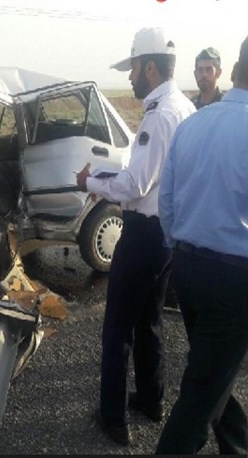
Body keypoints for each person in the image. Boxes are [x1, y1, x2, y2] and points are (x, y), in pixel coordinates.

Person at [75, 27, 195, 446]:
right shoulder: (184, 107)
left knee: (118, 329)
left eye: (132, 70)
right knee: (150, 321)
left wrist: (92, 182)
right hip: (168, 235)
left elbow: (135, 185)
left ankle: (113, 419)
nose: (129, 78)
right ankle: (150, 400)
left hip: (144, 235)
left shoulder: (159, 114)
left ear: (149, 67)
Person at [155, 35, 248, 455]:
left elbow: (167, 203)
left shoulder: (193, 124)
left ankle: (238, 444)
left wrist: (179, 248)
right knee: (200, 392)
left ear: (232, 72)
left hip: (189, 270)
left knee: (212, 372)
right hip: (234, 279)